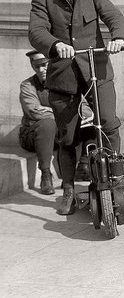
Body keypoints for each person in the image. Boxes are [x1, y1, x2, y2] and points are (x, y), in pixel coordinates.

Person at [28, 0, 124, 215]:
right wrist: (55, 44)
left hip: (97, 69)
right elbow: (36, 31)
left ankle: (116, 179)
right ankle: (69, 189)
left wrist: (118, 37)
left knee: (108, 123)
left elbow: (114, 17)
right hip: (64, 74)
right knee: (68, 137)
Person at [19, 50, 57, 195]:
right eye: (37, 66)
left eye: (45, 65)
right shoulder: (27, 85)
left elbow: (83, 110)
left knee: (88, 122)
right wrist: (59, 112)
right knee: (47, 124)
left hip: (57, 135)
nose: (41, 70)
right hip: (32, 136)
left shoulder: (63, 83)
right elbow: (34, 112)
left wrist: (47, 109)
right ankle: (46, 175)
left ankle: (83, 166)